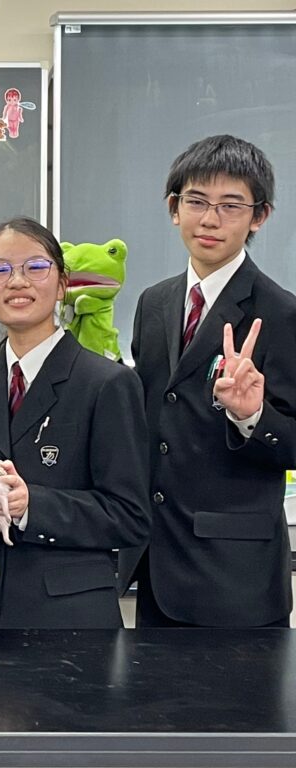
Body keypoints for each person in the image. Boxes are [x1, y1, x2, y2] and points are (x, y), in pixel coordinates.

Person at [0, 217, 149, 628]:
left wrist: (31, 505)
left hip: (71, 620)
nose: (17, 281)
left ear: (62, 284)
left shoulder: (108, 384)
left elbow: (130, 516)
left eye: (35, 267)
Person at [119, 135, 296, 628]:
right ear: (174, 208)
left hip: (235, 576)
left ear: (259, 216)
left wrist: (251, 415)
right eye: (196, 201)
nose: (210, 219)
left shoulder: (281, 313)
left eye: (231, 205)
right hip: (156, 559)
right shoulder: (154, 303)